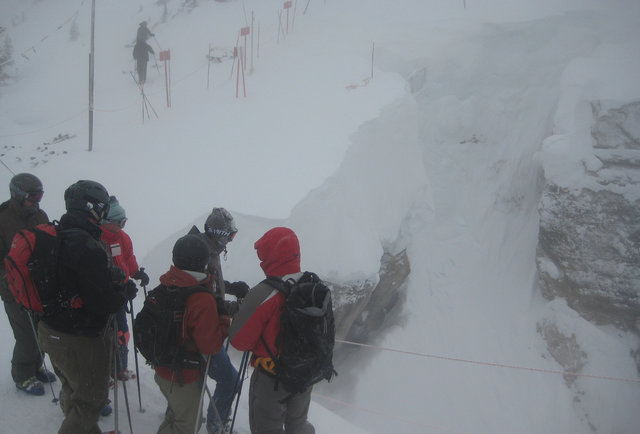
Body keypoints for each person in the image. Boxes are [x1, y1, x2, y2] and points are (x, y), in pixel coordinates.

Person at [37, 180, 137, 434]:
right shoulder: (88, 246)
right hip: (78, 336)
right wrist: (124, 292)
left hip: (49, 329)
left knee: (73, 388)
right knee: (91, 399)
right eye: (102, 208)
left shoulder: (53, 234)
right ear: (92, 209)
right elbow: (102, 303)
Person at [229, 227, 315, 434]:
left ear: (271, 256)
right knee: (298, 427)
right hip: (305, 375)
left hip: (272, 379)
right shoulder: (312, 286)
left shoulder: (266, 292)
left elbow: (239, 341)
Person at [154, 234, 229, 434]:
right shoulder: (200, 298)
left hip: (162, 368)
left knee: (175, 417)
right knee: (188, 424)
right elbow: (210, 346)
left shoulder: (166, 285)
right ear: (202, 263)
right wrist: (223, 319)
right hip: (183, 375)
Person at [190, 208, 249, 434]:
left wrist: (229, 287)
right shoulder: (204, 256)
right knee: (230, 380)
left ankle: (176, 412)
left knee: (192, 377)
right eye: (230, 236)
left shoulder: (202, 249)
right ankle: (216, 424)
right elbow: (207, 305)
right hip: (203, 333)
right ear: (219, 233)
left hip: (194, 329)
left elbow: (208, 289)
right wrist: (238, 307)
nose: (231, 241)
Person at [0, 173, 56, 396]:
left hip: (37, 285)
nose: (37, 201)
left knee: (41, 330)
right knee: (25, 334)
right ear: (18, 194)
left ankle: (36, 366)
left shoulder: (39, 215)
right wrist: (7, 276)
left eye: (40, 196)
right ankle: (22, 374)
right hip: (13, 288)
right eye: (32, 196)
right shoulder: (3, 219)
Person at [101, 196, 149, 380]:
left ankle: (119, 367)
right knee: (104, 334)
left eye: (125, 221)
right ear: (107, 221)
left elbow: (128, 258)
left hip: (120, 294)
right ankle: (103, 371)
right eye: (120, 222)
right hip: (103, 295)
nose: (122, 226)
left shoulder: (122, 237)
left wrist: (137, 274)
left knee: (122, 332)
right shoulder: (97, 238)